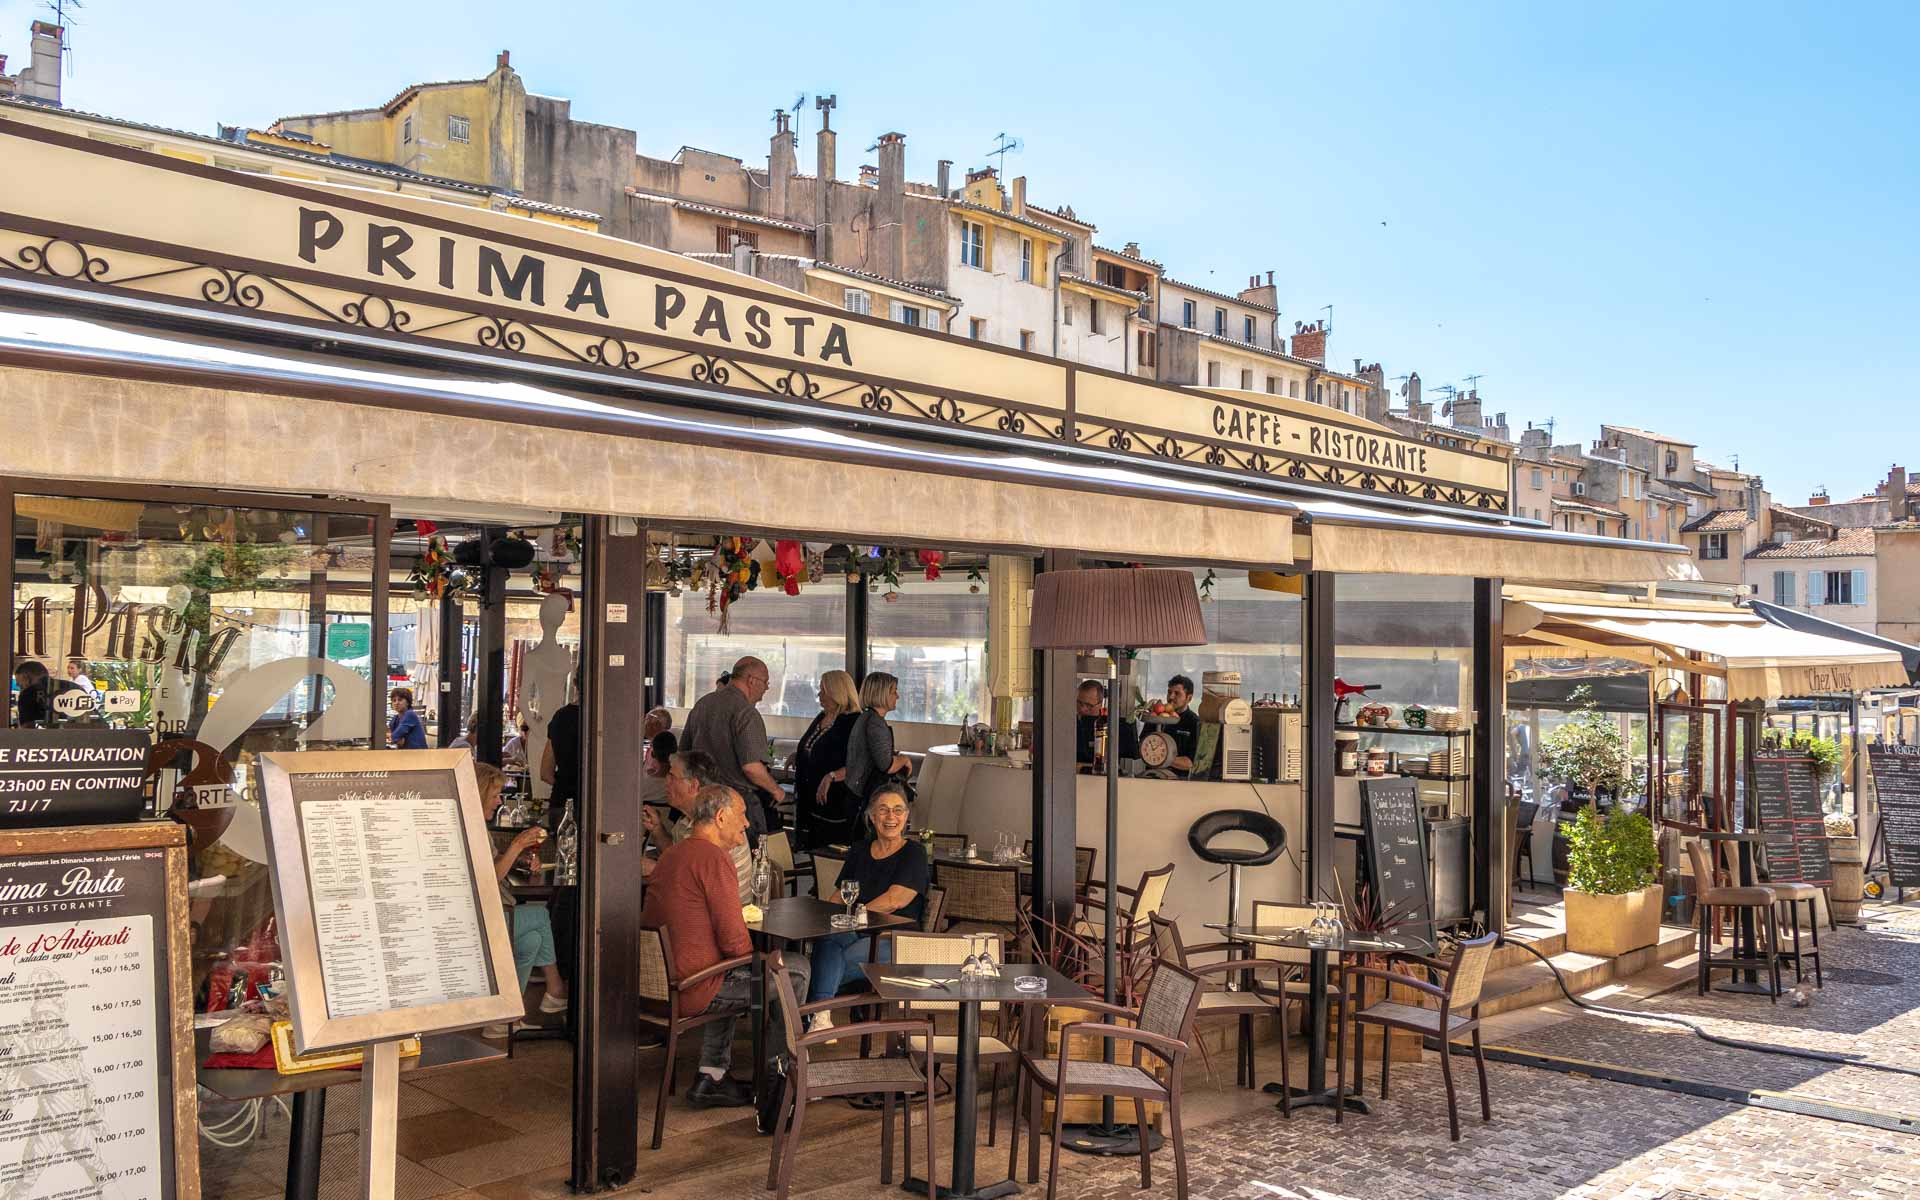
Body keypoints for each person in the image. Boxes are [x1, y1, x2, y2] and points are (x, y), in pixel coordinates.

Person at [641, 784, 808, 1107]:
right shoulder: (713, 858)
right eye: (741, 815)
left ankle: (712, 1075)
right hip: (691, 988)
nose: (746, 823)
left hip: (657, 987)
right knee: (795, 970)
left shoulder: (673, 853)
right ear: (720, 817)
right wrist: (757, 961)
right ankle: (778, 1081)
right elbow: (734, 941)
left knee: (738, 970)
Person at [804, 783, 927, 1022]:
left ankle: (812, 1010)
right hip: (857, 932)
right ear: (871, 816)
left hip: (895, 939)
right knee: (828, 939)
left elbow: (895, 900)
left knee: (821, 963)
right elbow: (840, 896)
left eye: (898, 810)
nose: (891, 817)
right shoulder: (859, 850)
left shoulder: (914, 853)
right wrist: (826, 920)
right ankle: (819, 1017)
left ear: (906, 816)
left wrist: (854, 915)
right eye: (883, 810)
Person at [473, 763, 568, 1037]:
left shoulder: (478, 827)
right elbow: (489, 877)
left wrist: (521, 859)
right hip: (478, 920)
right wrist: (516, 846)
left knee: (531, 941)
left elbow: (494, 863)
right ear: (479, 794)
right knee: (540, 916)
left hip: (491, 912)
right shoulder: (468, 828)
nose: (499, 801)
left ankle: (504, 1018)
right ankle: (555, 989)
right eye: (495, 795)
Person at [681, 655, 782, 840]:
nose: (767, 687)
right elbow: (751, 767)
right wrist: (776, 790)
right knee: (746, 855)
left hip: (701, 800)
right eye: (766, 681)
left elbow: (684, 754)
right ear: (751, 680)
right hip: (737, 803)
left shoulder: (703, 704)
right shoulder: (746, 712)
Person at [642, 750, 752, 899]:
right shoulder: (686, 820)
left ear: (693, 785)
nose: (666, 781)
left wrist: (656, 869)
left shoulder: (717, 825)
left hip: (725, 909)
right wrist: (657, 829)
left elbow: (699, 882)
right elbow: (676, 856)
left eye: (672, 776)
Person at [791, 670, 862, 850]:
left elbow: (860, 763)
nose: (819, 695)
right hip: (809, 798)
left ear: (837, 692)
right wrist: (800, 755)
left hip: (835, 801)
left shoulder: (853, 722)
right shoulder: (822, 717)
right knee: (809, 847)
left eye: (823, 690)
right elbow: (814, 746)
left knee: (829, 850)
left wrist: (832, 776)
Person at [844, 672, 913, 807]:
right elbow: (887, 765)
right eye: (894, 692)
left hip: (855, 791)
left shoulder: (866, 717)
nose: (897, 696)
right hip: (866, 795)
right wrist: (904, 759)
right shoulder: (875, 723)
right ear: (882, 694)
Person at [1074, 680, 1139, 768]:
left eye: (1089, 705)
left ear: (1101, 704)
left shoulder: (1112, 726)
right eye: (1079, 703)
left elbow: (1131, 752)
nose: (1082, 709)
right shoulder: (1068, 723)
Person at [13, 661, 80, 726]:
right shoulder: (74, 687)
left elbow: (26, 728)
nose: (18, 686)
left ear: (26, 677)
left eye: (20, 685)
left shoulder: (28, 694)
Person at [1159, 674, 1202, 774]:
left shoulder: (1194, 723)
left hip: (1180, 780)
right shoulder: (1156, 717)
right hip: (1150, 778)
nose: (1171, 697)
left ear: (1189, 698)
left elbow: (1190, 763)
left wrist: (1160, 758)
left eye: (1177, 693)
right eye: (1169, 692)